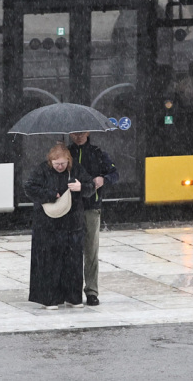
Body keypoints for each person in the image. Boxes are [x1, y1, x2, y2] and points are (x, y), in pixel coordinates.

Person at [23, 142, 95, 309]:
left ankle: (73, 297)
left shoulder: (76, 169)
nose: (60, 167)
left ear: (68, 160)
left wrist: (80, 187)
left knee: (73, 262)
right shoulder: (42, 170)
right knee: (50, 261)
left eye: (63, 164)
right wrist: (49, 194)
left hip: (72, 224)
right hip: (48, 225)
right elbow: (29, 188)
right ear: (51, 162)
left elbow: (90, 188)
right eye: (57, 164)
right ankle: (50, 299)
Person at [68, 131, 119, 306]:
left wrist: (103, 179)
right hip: (69, 208)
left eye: (81, 133)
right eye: (75, 133)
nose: (78, 136)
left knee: (91, 251)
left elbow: (114, 174)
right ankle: (71, 290)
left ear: (88, 133)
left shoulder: (98, 153)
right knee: (71, 251)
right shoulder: (66, 153)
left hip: (91, 207)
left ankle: (91, 291)